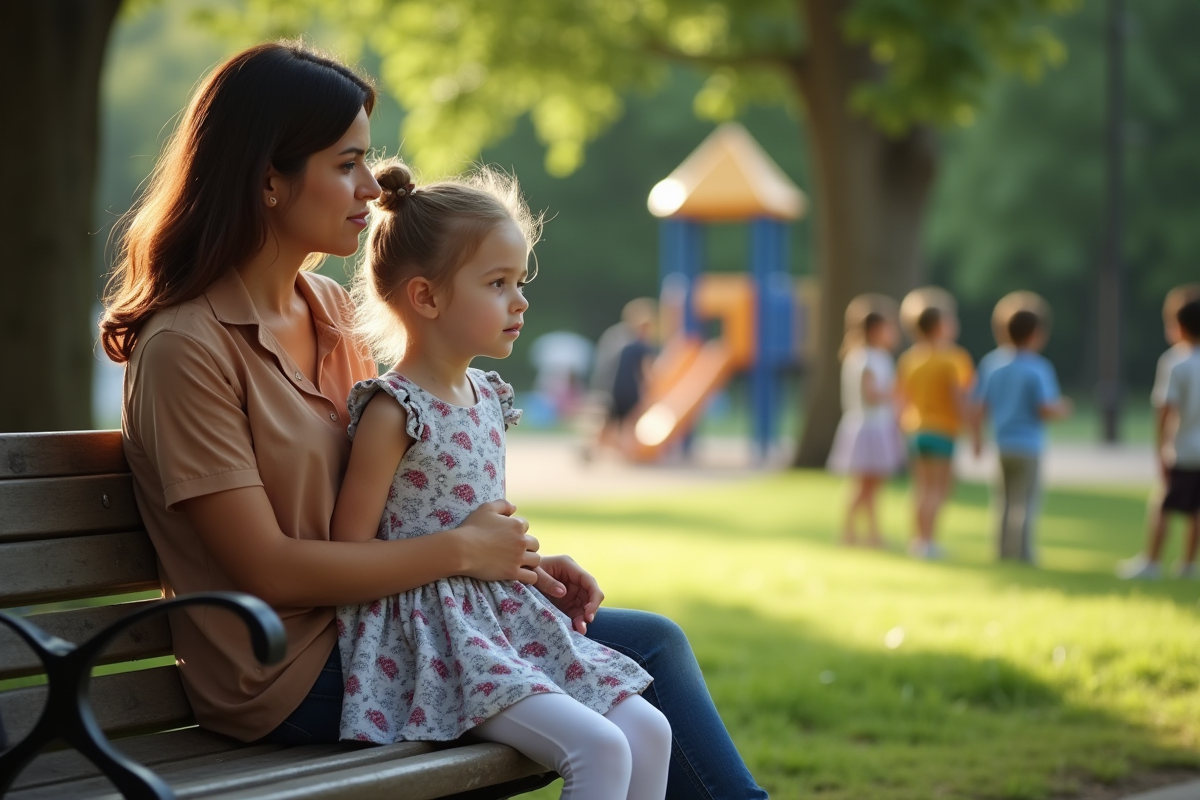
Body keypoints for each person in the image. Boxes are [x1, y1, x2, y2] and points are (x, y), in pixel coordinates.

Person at [99, 41, 767, 800]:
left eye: (366, 159)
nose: (370, 183)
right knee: (642, 659)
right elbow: (265, 569)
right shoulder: (188, 347)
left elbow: (406, 496)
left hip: (395, 619)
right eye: (345, 163)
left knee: (649, 658)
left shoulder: (327, 309)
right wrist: (461, 553)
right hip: (287, 669)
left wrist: (519, 569)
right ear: (270, 182)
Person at [328, 159, 670, 798]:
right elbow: (349, 553)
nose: (520, 300)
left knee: (648, 731)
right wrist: (460, 565)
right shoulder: (393, 409)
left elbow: (484, 530)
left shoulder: (487, 395)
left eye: (519, 280)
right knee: (599, 747)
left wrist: (537, 570)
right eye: (496, 283)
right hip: (431, 639)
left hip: (503, 618)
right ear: (426, 297)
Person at [972, 309, 1071, 563]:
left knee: (1003, 502)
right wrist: (1063, 409)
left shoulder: (992, 364)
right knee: (1026, 502)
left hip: (1002, 444)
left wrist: (977, 439)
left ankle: (1002, 551)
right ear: (1036, 334)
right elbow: (1044, 408)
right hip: (1028, 445)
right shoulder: (1038, 367)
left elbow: (980, 406)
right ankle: (1024, 553)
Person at [1118, 289, 1200, 580]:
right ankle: (1189, 565)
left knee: (1162, 504)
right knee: (1195, 511)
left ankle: (1152, 561)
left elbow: (1165, 410)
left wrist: (1160, 448)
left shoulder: (1174, 362)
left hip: (1183, 450)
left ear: (1177, 325)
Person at [896, 301, 975, 559]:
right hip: (943, 431)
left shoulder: (910, 359)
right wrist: (972, 429)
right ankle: (928, 542)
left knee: (922, 488)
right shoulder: (954, 358)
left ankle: (918, 540)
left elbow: (902, 398)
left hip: (916, 430)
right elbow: (960, 398)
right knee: (939, 489)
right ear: (941, 326)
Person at [827, 297, 905, 548]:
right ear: (875, 330)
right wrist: (896, 393)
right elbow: (871, 395)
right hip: (868, 428)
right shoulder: (867, 359)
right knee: (863, 486)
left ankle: (871, 534)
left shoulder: (872, 358)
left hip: (875, 426)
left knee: (871, 486)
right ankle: (850, 532)